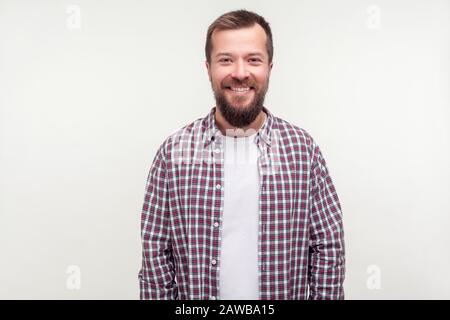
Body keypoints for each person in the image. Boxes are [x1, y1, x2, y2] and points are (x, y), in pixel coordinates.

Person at [138, 9, 345, 300]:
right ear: (208, 68)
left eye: (253, 59)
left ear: (269, 67)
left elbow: (328, 247)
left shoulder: (303, 151)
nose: (239, 72)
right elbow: (155, 254)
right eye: (226, 59)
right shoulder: (173, 154)